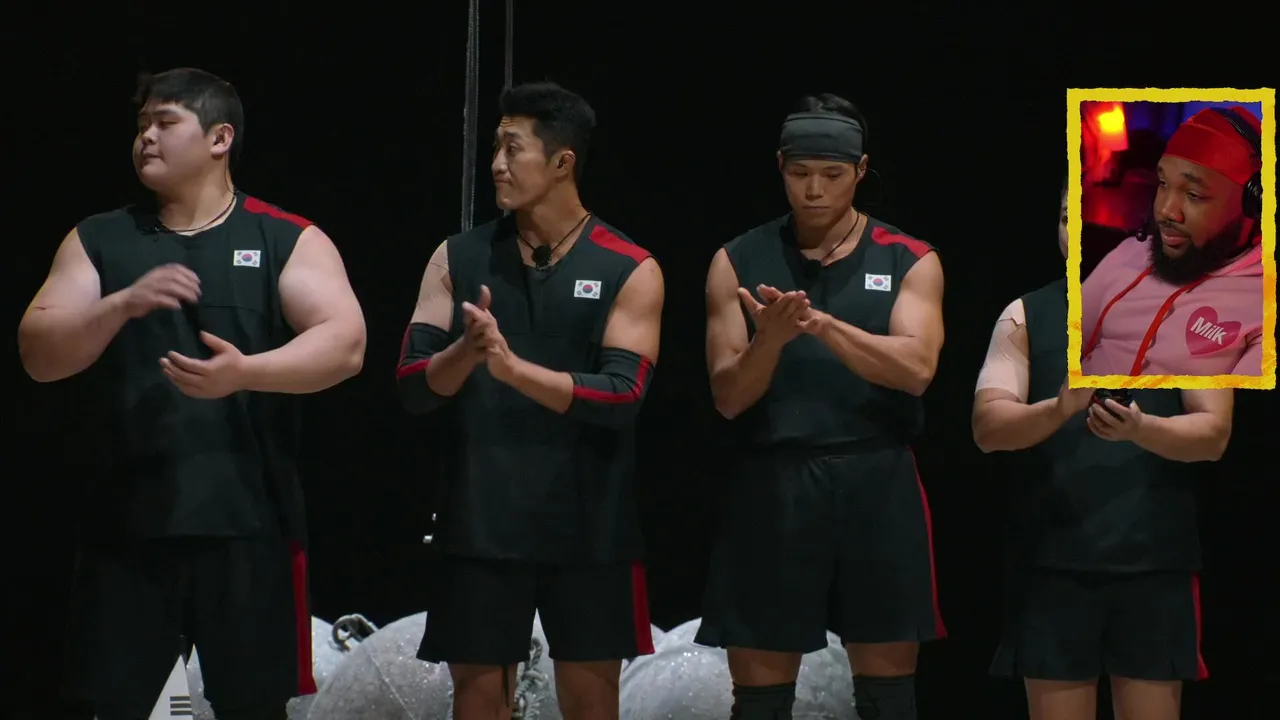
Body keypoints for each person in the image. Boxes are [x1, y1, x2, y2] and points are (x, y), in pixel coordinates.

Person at [17, 68, 366, 720]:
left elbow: (345, 344)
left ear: (219, 138)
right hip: (128, 524)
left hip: (251, 526)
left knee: (252, 707)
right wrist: (119, 304)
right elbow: (38, 355)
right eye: (141, 125)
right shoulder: (99, 238)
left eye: (165, 122)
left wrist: (246, 373)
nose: (146, 138)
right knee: (125, 706)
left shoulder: (284, 236)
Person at [396, 81, 663, 720]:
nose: (497, 164)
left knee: (591, 700)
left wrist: (513, 370)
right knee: (478, 696)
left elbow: (623, 395)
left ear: (563, 161)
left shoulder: (630, 265)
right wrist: (466, 353)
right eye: (495, 148)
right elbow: (412, 384)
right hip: (481, 516)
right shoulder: (456, 257)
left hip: (590, 521)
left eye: (513, 149)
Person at [698, 93, 947, 720]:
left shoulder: (909, 258)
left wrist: (823, 326)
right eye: (800, 173)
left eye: (832, 175)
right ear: (780, 166)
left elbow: (917, 370)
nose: (814, 190)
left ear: (860, 171)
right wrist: (770, 340)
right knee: (759, 701)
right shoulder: (736, 260)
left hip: (877, 478)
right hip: (774, 480)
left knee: (888, 698)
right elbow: (728, 397)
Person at [974, 179, 1233, 720]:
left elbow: (1214, 435)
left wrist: (1141, 429)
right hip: (1052, 564)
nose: (1075, 232)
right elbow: (988, 428)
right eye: (1066, 218)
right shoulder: (1025, 314)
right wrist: (1057, 409)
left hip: (1153, 563)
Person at [1080, 105, 1264, 376]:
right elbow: (1057, 345)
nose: (1165, 211)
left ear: (1253, 204)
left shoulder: (1264, 304)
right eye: (1163, 183)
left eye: (1193, 195)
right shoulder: (1128, 253)